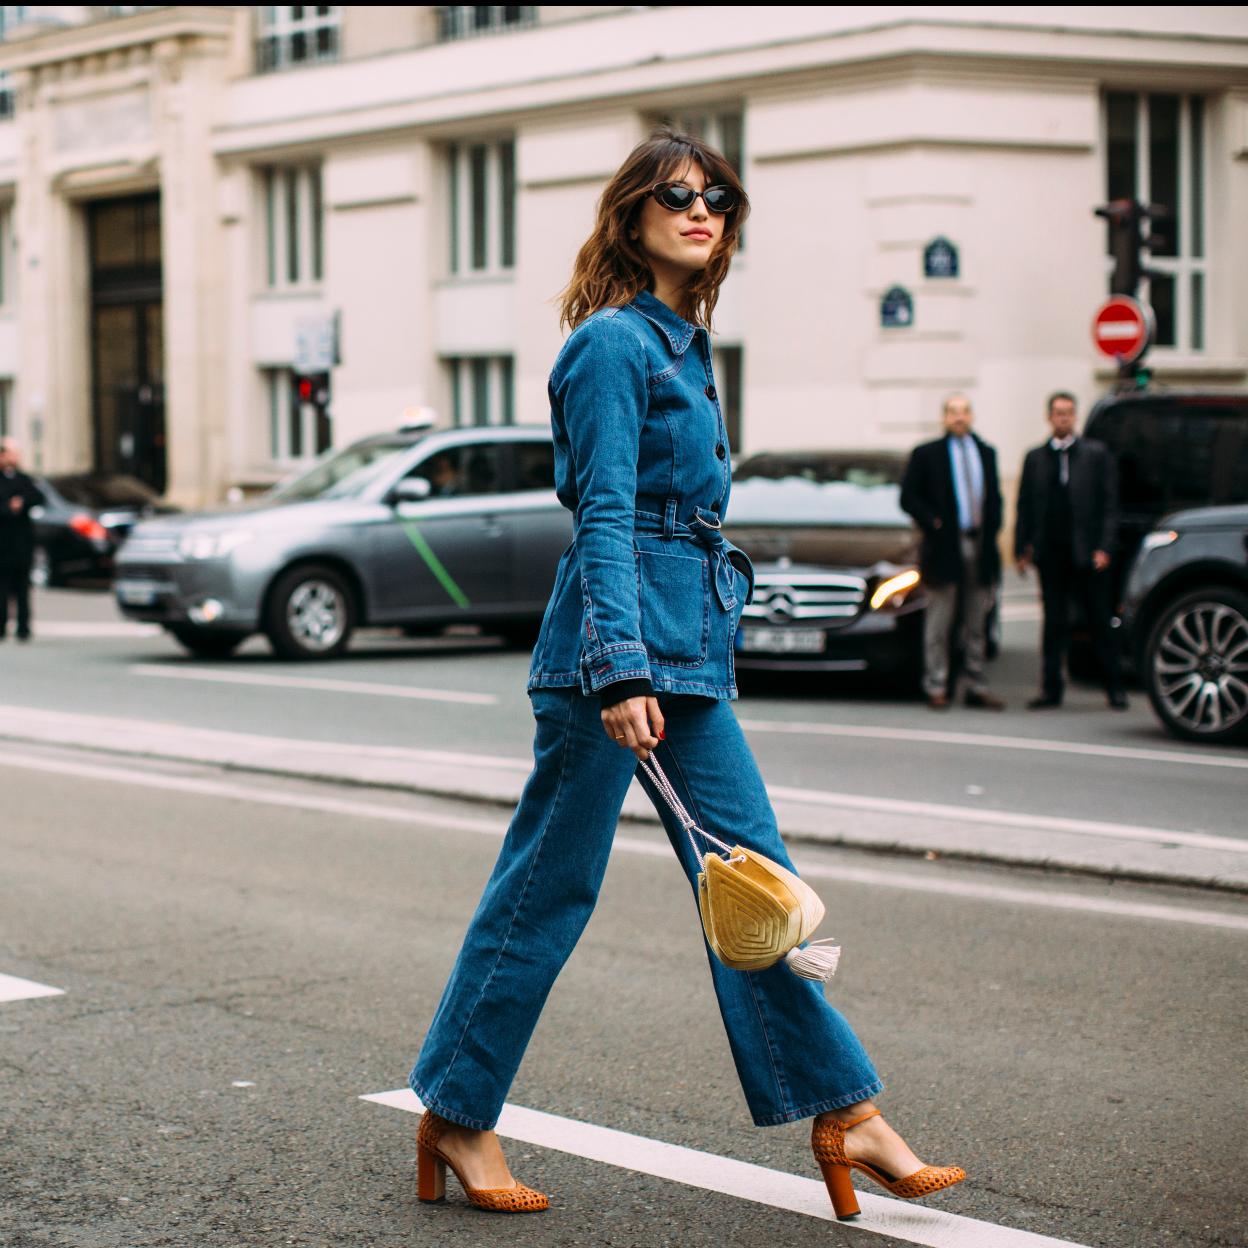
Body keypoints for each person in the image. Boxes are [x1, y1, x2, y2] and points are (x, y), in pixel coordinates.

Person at [407, 128, 965, 1221]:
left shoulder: (680, 345)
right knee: (547, 889)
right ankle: (460, 1114)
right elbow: (605, 511)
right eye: (675, 195)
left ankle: (841, 1105)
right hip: (611, 661)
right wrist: (617, 671)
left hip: (688, 653)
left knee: (755, 884)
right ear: (632, 216)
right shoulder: (615, 346)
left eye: (717, 196)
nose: (701, 209)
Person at [1015, 392, 1127, 710]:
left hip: (1087, 553)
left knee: (1098, 622)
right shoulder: (1036, 457)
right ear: (1049, 417)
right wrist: (1022, 547)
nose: (1063, 418)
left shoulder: (1095, 455)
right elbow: (1025, 505)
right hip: (1051, 554)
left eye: (1068, 413)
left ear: (1074, 417)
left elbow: (1109, 505)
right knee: (1053, 624)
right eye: (1058, 413)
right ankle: (1051, 688)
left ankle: (1114, 687)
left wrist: (1104, 547)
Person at [900, 396, 1005, 710]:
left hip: (980, 544)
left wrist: (994, 526)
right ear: (944, 417)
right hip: (944, 546)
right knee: (939, 621)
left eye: (964, 412)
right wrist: (934, 521)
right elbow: (908, 497)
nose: (959, 418)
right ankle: (937, 684)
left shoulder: (986, 453)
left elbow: (994, 497)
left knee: (977, 619)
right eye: (953, 412)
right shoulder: (928, 454)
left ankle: (975, 683)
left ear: (971, 416)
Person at [0, 438, 45, 642]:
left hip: (22, 544)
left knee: (22, 588)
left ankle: (23, 627)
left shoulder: (24, 479)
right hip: (2, 544)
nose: (15, 457)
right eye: (11, 453)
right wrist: (9, 508)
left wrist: (22, 502)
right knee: (2, 588)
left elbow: (38, 497)